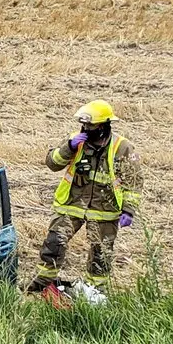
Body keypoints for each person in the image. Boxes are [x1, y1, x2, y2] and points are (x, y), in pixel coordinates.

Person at [37, 99, 143, 295]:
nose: (85, 128)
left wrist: (128, 209)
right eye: (84, 124)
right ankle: (42, 284)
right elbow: (52, 163)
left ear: (104, 125)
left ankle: (95, 292)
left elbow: (133, 181)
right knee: (54, 244)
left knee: (100, 254)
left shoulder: (122, 147)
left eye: (90, 125)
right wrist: (69, 147)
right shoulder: (75, 140)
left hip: (104, 210)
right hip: (71, 204)